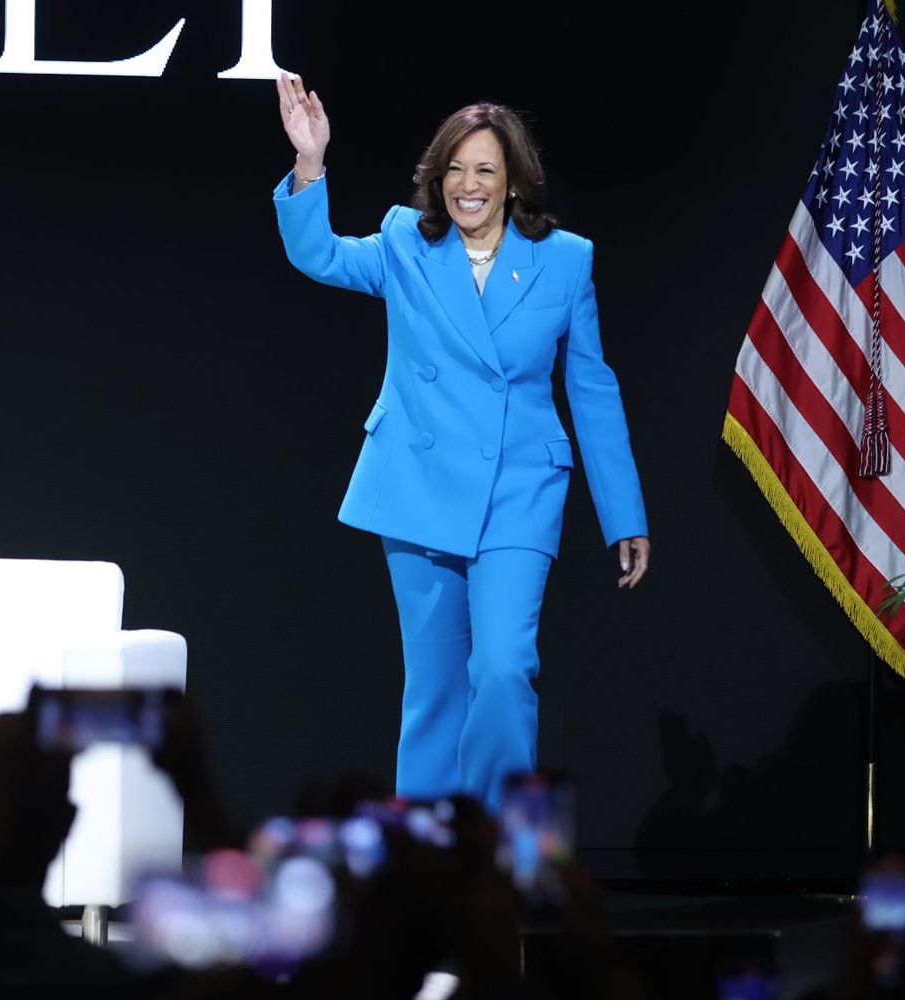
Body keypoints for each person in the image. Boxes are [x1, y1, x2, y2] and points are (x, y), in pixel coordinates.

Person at [272, 73, 650, 808]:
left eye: (486, 170)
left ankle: (495, 850)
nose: (467, 185)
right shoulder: (404, 243)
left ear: (513, 184)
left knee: (506, 668)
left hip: (519, 492)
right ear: (436, 176)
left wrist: (624, 513)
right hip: (417, 488)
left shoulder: (566, 259)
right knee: (435, 687)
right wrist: (311, 163)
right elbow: (318, 257)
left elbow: (592, 389)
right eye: (455, 169)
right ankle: (428, 861)